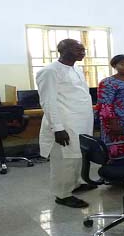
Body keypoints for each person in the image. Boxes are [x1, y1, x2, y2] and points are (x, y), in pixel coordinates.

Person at [37, 39, 94, 208]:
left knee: (77, 156)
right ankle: (62, 194)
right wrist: (58, 128)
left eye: (83, 49)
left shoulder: (76, 68)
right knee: (64, 159)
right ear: (63, 50)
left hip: (80, 121)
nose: (83, 52)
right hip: (65, 122)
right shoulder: (50, 71)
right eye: (78, 49)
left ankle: (75, 184)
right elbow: (48, 101)